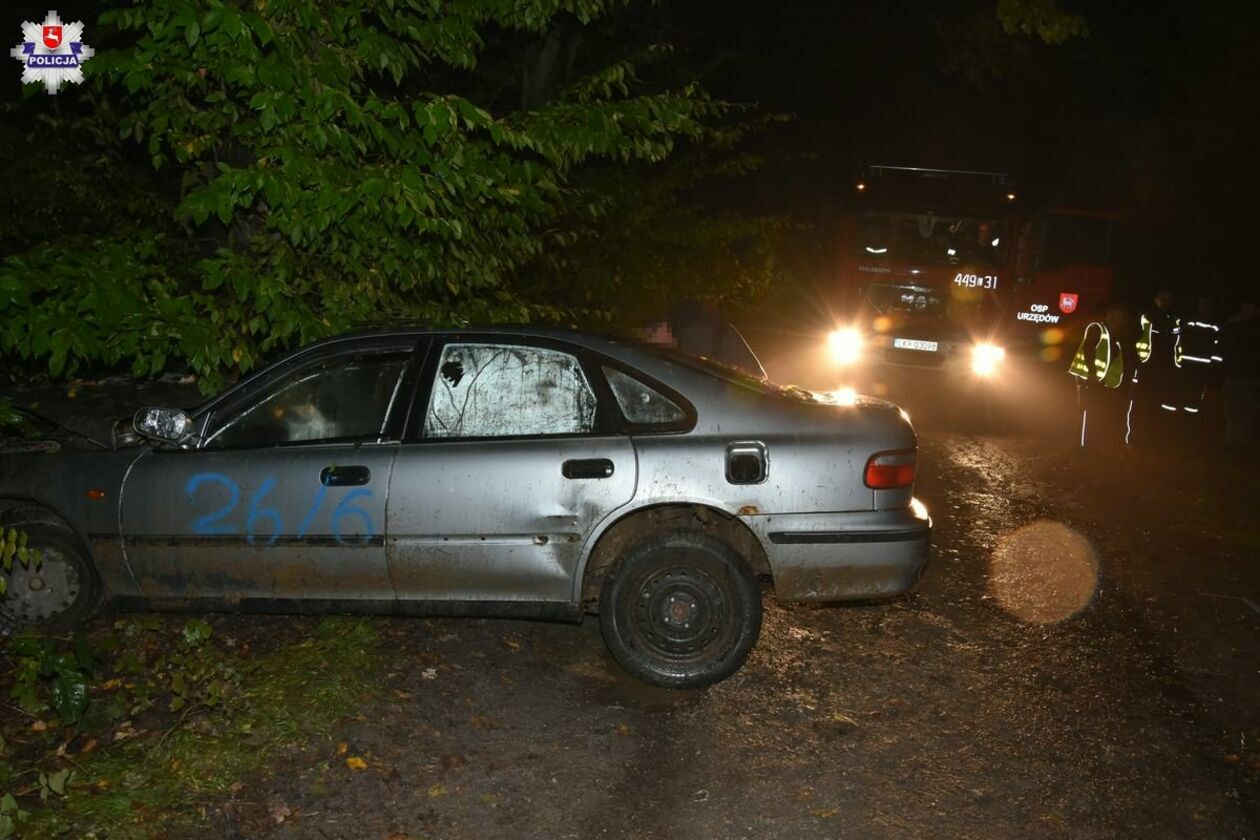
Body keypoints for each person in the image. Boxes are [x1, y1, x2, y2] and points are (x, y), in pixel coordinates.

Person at [1068, 307, 1127, 450]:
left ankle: (1091, 443)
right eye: (1113, 315)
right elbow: (1088, 351)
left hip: (1098, 380)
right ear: (1107, 315)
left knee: (1094, 411)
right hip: (1087, 377)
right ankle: (1083, 445)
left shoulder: (1115, 335)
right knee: (1086, 411)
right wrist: (1092, 373)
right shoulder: (1097, 328)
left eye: (1119, 317)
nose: (1115, 319)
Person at [1129, 288, 1181, 447]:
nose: (1164, 302)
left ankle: (1150, 440)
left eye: (1167, 299)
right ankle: (1134, 439)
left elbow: (1176, 344)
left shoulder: (1174, 320)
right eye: (1161, 298)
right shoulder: (1146, 316)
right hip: (1144, 368)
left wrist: (1173, 367)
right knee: (1138, 404)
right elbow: (1135, 339)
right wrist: (1135, 363)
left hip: (1162, 370)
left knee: (1155, 406)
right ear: (1156, 300)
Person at [1221, 300, 1259, 450]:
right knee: (1231, 411)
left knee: (1244, 412)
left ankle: (1241, 445)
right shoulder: (1234, 326)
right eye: (1244, 307)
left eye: (1250, 307)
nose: (1246, 310)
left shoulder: (1254, 328)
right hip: (1233, 374)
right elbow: (1225, 344)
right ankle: (1231, 444)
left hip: (1250, 377)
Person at [1175, 296, 1221, 415]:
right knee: (1182, 393)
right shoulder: (1189, 321)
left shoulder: (1215, 325)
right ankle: (1179, 419)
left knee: (1196, 396)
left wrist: (1213, 366)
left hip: (1202, 368)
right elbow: (1179, 339)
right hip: (1186, 365)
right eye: (1202, 304)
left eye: (1206, 304)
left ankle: (1192, 419)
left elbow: (1217, 348)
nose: (1204, 307)